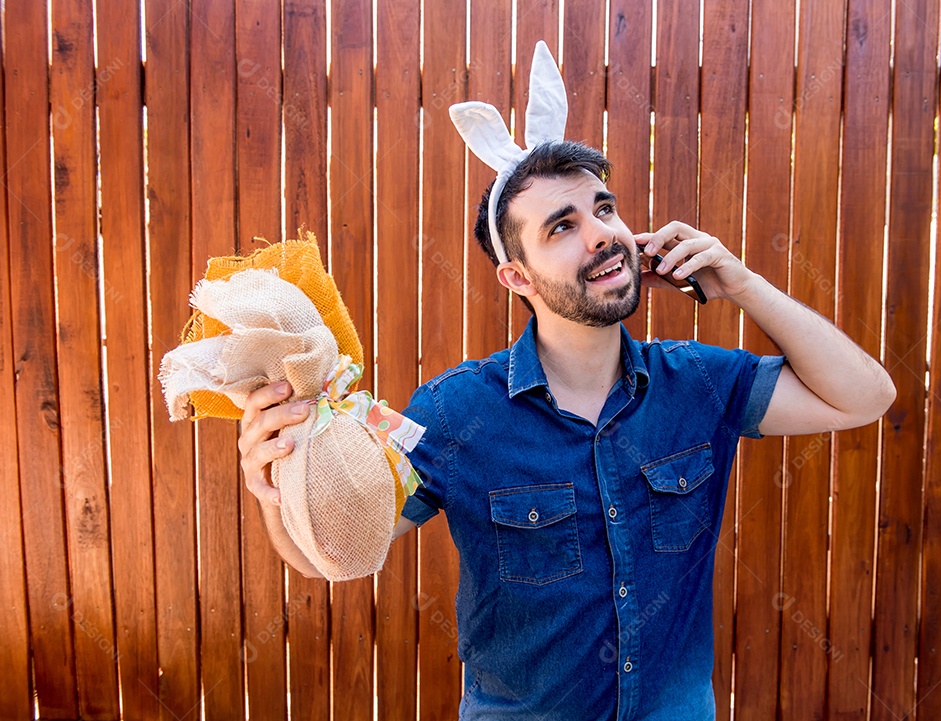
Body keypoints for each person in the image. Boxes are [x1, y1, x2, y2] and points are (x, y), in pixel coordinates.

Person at [238, 44, 895, 720]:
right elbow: (340, 554)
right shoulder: (457, 411)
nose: (601, 236)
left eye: (603, 210)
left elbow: (865, 395)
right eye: (562, 227)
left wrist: (746, 285)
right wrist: (270, 491)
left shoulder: (696, 383)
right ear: (517, 277)